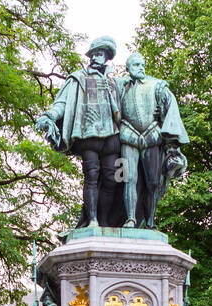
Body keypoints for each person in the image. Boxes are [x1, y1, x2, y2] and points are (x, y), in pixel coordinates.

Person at [34, 37, 124, 228]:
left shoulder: (116, 83)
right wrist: (49, 116)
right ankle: (92, 219)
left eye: (100, 54)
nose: (95, 57)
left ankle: (105, 219)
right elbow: (62, 103)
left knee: (113, 179)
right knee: (91, 175)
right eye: (93, 54)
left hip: (112, 137)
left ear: (107, 57)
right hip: (88, 135)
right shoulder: (78, 78)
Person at [117, 53, 188, 228]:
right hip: (128, 137)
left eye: (142, 65)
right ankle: (131, 218)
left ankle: (150, 221)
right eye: (136, 65)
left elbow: (170, 108)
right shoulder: (119, 86)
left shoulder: (157, 85)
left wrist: (164, 120)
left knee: (153, 182)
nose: (141, 68)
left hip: (152, 137)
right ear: (128, 68)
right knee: (127, 178)